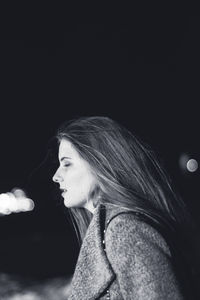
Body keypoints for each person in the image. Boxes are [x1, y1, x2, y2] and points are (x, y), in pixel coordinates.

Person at [52, 116, 200, 299]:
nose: (56, 176)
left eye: (67, 164)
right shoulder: (110, 229)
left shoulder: (125, 230)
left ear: (100, 163)